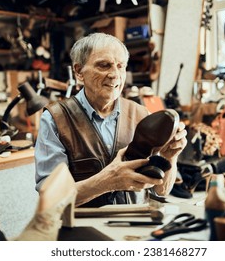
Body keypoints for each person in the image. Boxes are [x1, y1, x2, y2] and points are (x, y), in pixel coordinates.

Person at [34, 32, 187, 207]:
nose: (115, 74)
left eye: (120, 66)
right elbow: (51, 199)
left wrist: (170, 157)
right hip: (83, 231)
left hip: (131, 229)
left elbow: (161, 190)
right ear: (79, 72)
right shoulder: (56, 120)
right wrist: (108, 181)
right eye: (104, 65)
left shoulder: (140, 113)